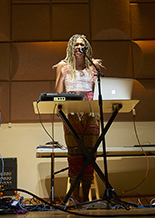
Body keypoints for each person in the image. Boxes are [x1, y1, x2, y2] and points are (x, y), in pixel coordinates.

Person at [54, 34, 103, 203]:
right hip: (71, 111)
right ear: (70, 47)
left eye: (81, 44)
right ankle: (75, 198)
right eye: (75, 45)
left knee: (90, 152)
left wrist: (96, 77)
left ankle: (85, 198)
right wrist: (62, 75)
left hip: (91, 112)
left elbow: (98, 92)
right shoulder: (63, 65)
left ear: (86, 47)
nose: (78, 47)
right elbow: (58, 93)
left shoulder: (93, 65)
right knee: (74, 152)